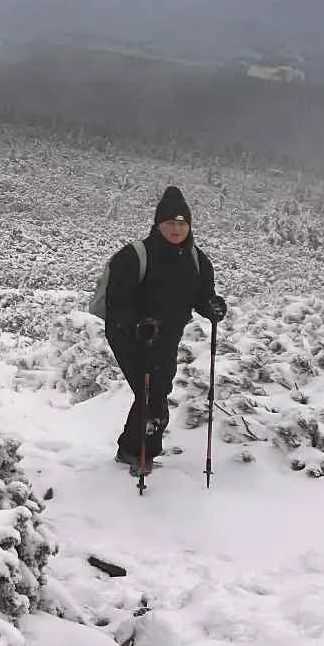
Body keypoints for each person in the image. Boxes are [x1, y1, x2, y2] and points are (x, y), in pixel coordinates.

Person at [104, 185, 227, 473]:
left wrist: (212, 307)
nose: (176, 228)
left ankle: (132, 449)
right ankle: (140, 453)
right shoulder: (134, 256)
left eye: (182, 223)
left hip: (168, 335)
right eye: (170, 222)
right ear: (158, 225)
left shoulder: (198, 260)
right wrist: (137, 323)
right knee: (151, 391)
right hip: (128, 335)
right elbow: (117, 301)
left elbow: (202, 296)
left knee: (157, 388)